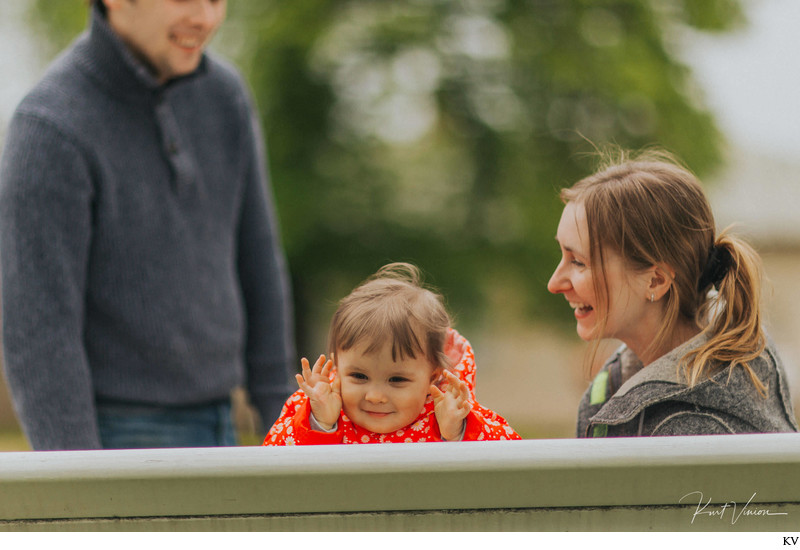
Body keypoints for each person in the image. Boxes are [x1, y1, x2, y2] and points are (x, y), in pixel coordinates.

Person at [0, 0, 295, 450]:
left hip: (225, 419)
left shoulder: (226, 95)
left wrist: (286, 425)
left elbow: (259, 260)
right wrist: (82, 485)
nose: (205, 18)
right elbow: (39, 335)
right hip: (116, 436)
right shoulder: (49, 128)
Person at [547, 149, 798, 438]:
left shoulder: (695, 431)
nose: (555, 283)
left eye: (578, 261)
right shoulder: (617, 383)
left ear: (655, 281)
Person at [263, 263, 520, 445]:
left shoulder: (450, 415)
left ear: (433, 377)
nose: (374, 396)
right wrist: (320, 424)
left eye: (396, 380)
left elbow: (513, 466)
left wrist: (458, 433)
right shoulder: (315, 407)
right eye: (358, 376)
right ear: (336, 366)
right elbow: (272, 470)